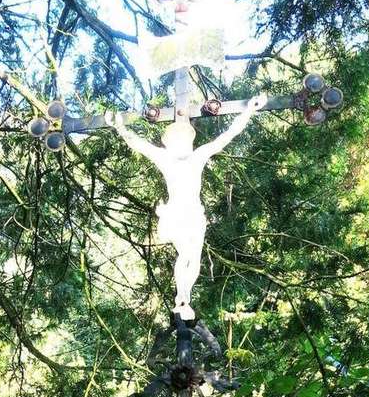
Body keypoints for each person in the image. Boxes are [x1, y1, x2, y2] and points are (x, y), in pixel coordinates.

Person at [106, 93, 267, 319]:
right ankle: (181, 297)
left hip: (193, 216)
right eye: (177, 140)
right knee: (186, 255)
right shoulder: (165, 159)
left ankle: (183, 299)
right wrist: (119, 127)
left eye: (185, 140)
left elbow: (228, 135)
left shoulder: (197, 156)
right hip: (175, 216)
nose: (182, 144)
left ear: (189, 142)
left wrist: (249, 110)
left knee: (192, 257)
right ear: (169, 143)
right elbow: (138, 144)